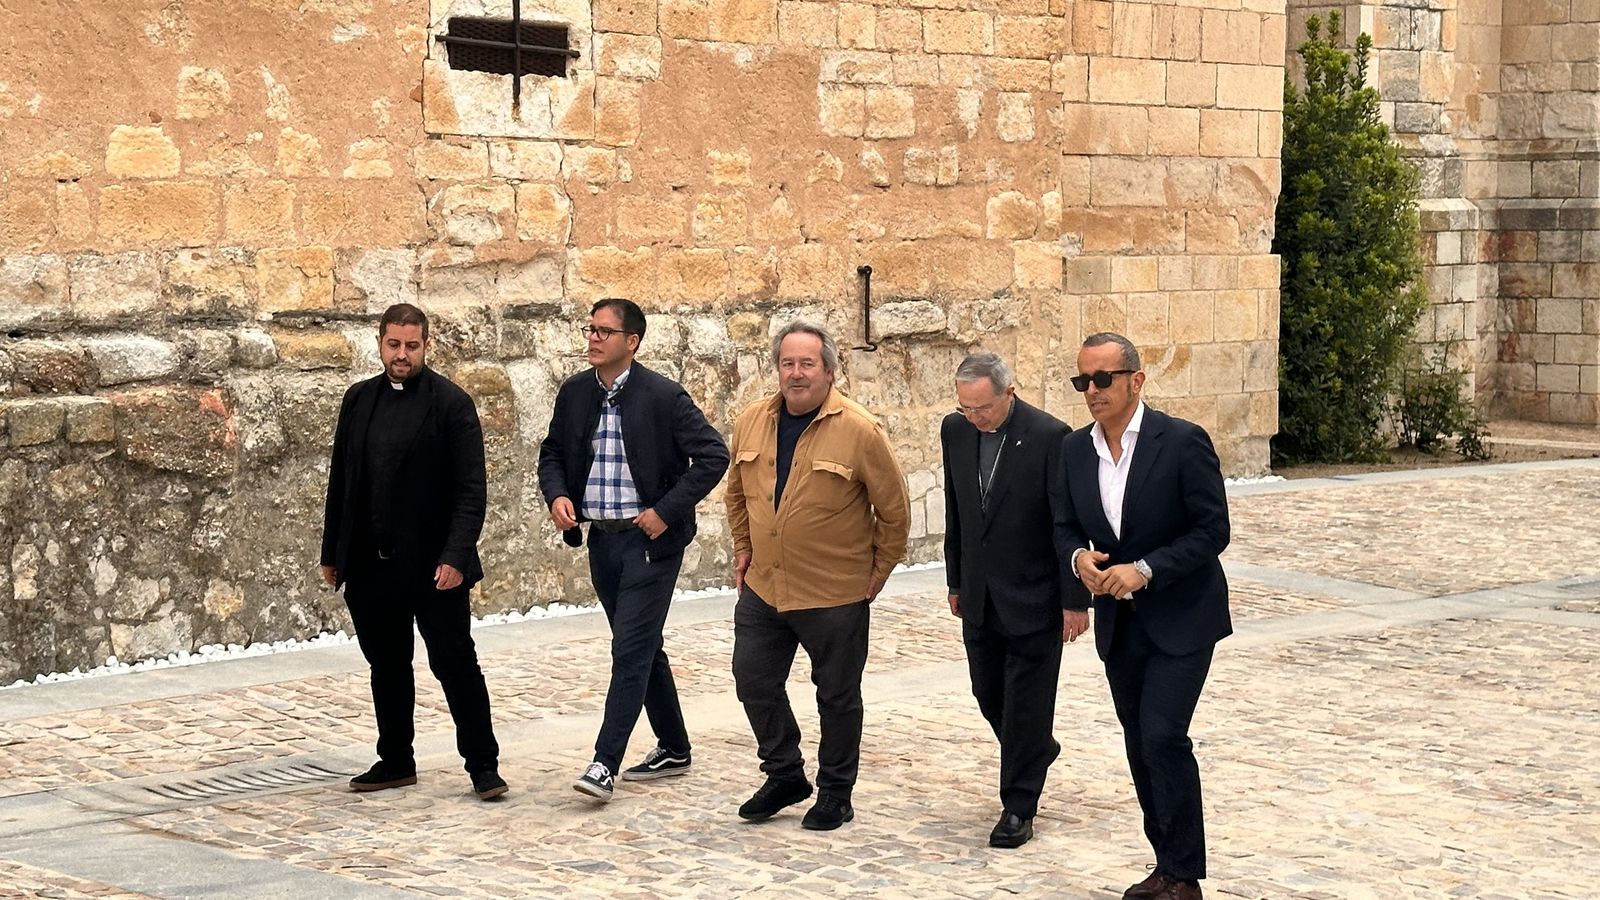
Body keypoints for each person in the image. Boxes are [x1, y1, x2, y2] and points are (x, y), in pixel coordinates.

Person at [1050, 333, 1232, 900]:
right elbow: (1061, 526)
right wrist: (1079, 560)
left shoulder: (1181, 442)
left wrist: (1146, 569)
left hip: (1183, 618)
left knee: (1162, 735)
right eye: (1083, 381)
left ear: (1136, 379)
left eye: (1103, 378)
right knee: (1139, 742)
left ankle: (1185, 876)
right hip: (1120, 625)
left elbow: (1212, 531)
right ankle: (1166, 864)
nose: (1092, 391)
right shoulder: (1074, 451)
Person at [538, 298, 729, 802]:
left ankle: (604, 763)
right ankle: (674, 746)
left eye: (604, 331)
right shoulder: (576, 393)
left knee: (629, 648)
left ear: (632, 342)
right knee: (642, 646)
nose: (593, 338)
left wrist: (664, 510)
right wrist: (558, 494)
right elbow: (553, 451)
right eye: (590, 329)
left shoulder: (663, 396)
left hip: (651, 544)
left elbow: (713, 455)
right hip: (602, 542)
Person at [724, 321, 909, 831]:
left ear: (830, 371)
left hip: (835, 593)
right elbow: (736, 493)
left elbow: (894, 512)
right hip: (765, 586)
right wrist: (744, 547)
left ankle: (835, 792)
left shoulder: (859, 429)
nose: (796, 373)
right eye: (788, 363)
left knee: (837, 695)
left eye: (807, 364)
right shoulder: (752, 421)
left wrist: (876, 574)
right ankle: (784, 773)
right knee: (753, 680)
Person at [320, 303, 506, 801]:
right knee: (387, 664)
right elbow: (342, 480)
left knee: (454, 663)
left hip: (433, 567)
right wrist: (332, 551)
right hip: (369, 564)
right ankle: (396, 759)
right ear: (379, 343)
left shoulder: (452, 404)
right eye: (393, 345)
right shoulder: (359, 399)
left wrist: (455, 557)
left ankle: (483, 766)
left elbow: (471, 491)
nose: (402, 355)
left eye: (412, 346)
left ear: (426, 345)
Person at [940, 351, 1087, 848]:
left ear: (1009, 392)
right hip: (980, 592)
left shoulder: (1051, 436)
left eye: (982, 408)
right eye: (966, 408)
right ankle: (1036, 750)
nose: (975, 418)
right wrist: (956, 580)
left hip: (1034, 594)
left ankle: (1019, 806)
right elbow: (957, 509)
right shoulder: (955, 431)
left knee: (1027, 702)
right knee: (987, 693)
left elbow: (1063, 523)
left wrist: (1074, 600)